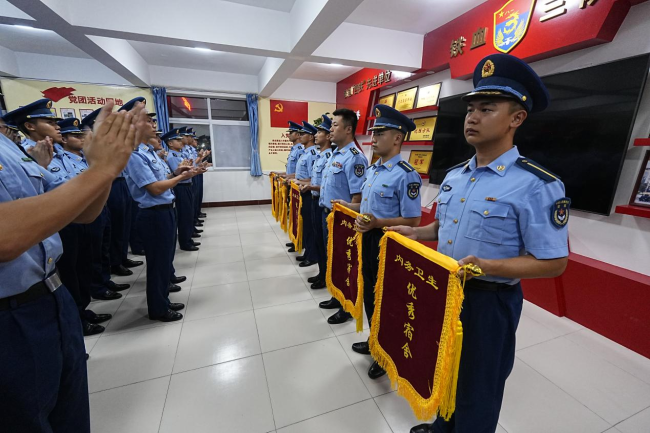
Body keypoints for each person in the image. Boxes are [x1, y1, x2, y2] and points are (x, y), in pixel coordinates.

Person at [389, 54, 570, 433]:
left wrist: (489, 266)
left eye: (487, 108)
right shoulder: (457, 176)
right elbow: (442, 226)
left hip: (489, 302)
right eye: (471, 107)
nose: (472, 117)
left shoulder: (537, 184)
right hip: (444, 290)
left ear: (516, 118)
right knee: (443, 365)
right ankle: (443, 426)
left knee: (478, 386)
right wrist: (416, 234)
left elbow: (553, 262)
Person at [0, 100, 146, 432]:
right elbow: (5, 240)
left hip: (51, 297)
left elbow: (84, 212)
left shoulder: (9, 149)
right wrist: (101, 170)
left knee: (71, 414)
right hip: (9, 316)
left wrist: (107, 163)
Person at [335, 104, 422, 380]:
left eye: (380, 132)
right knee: (371, 294)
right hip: (368, 240)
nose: (373, 137)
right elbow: (365, 209)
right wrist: (348, 206)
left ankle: (386, 354)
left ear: (397, 138)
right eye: (373, 131)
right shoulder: (373, 170)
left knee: (388, 300)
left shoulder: (406, 175)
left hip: (390, 245)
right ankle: (376, 342)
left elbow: (413, 222)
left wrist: (377, 224)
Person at [124, 114, 199, 322]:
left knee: (165, 259)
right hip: (153, 214)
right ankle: (158, 308)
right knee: (157, 263)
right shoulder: (135, 155)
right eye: (148, 122)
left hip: (165, 210)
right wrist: (180, 178)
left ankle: (163, 298)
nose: (154, 125)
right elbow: (155, 188)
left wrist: (177, 172)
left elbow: (161, 179)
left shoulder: (149, 153)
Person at [317, 108, 368, 325]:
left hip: (343, 222)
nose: (330, 129)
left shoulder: (355, 159)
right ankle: (337, 296)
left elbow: (358, 199)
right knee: (333, 261)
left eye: (334, 125)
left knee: (345, 263)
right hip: (327, 216)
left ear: (348, 129)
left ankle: (346, 305)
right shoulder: (335, 154)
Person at [301, 114, 333, 289]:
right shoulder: (321, 156)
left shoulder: (329, 157)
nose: (316, 135)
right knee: (319, 241)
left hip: (325, 206)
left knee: (326, 244)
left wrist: (310, 187)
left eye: (320, 131)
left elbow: (325, 186)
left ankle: (327, 276)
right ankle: (322, 273)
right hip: (317, 202)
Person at [164, 129, 199, 251]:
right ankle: (185, 242)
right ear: (170, 143)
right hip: (180, 187)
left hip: (187, 185)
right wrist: (194, 172)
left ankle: (188, 238)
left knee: (188, 214)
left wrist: (195, 171)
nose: (180, 142)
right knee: (184, 215)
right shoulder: (172, 157)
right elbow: (178, 175)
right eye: (177, 140)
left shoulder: (180, 154)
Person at [292, 121, 320, 267]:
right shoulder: (304, 153)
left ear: (310, 137)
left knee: (311, 226)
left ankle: (312, 254)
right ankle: (308, 252)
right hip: (303, 191)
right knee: (306, 225)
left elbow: (311, 178)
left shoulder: (313, 154)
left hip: (310, 193)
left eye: (303, 134)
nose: (299, 136)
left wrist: (299, 181)